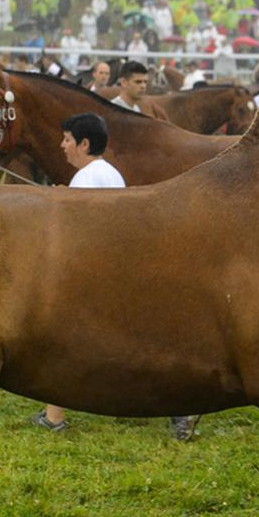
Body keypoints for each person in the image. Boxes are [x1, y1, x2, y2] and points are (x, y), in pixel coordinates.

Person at [31, 113, 199, 441]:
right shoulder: (108, 173)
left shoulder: (86, 179)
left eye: (66, 139)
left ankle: (182, 407)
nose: (61, 145)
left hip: (97, 277)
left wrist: (58, 204)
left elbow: (79, 233)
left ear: (83, 143)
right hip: (118, 272)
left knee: (62, 340)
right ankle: (54, 415)